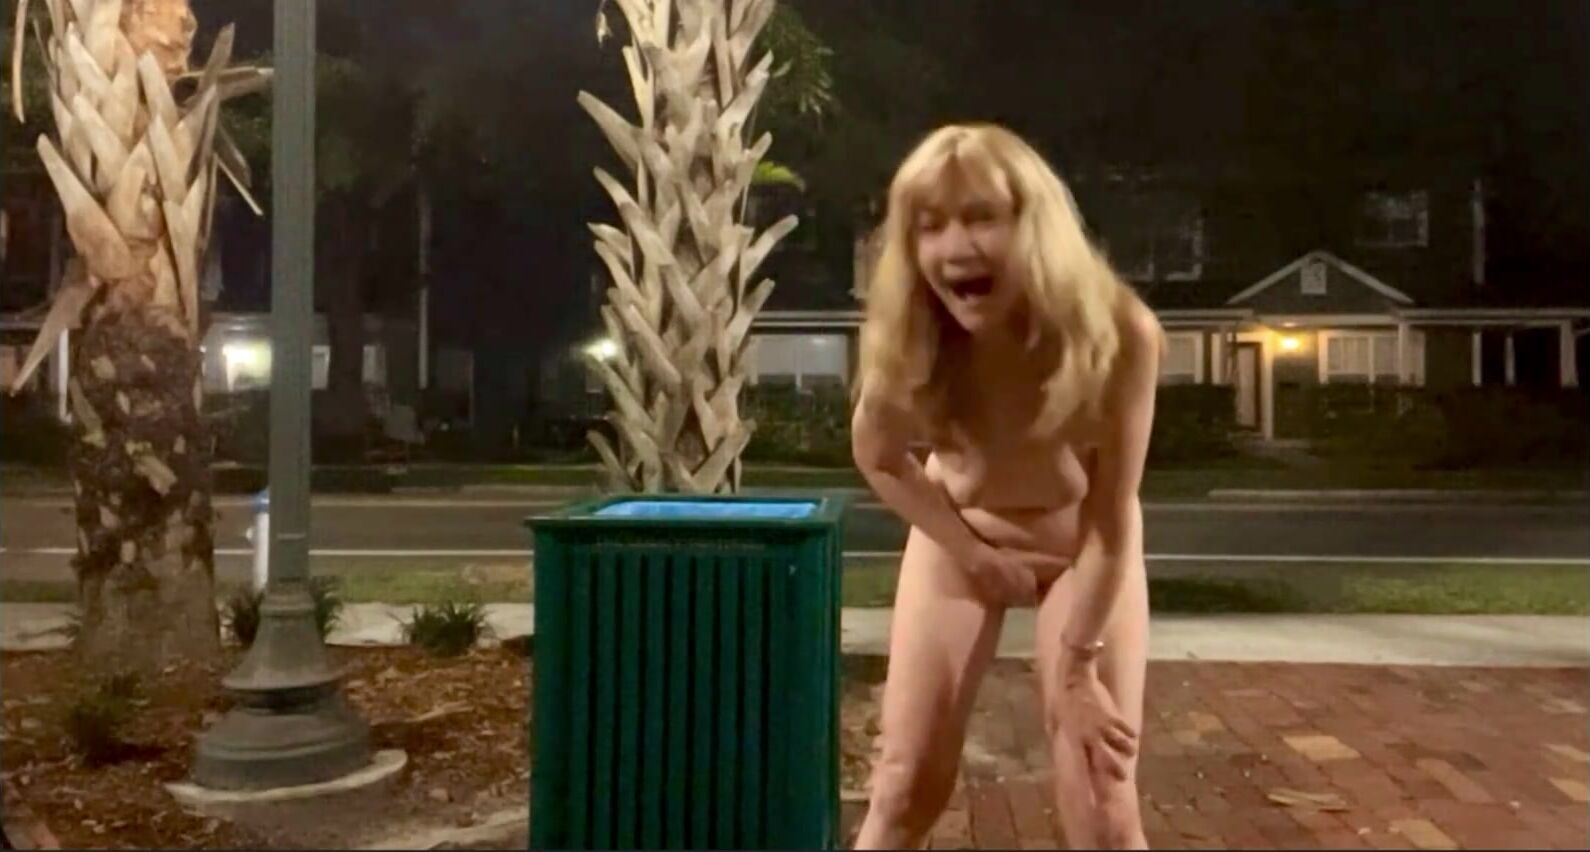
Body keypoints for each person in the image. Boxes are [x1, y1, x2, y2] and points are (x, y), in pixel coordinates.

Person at [850, 123, 1161, 850]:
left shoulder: (1121, 331)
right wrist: (971, 552)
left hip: (1082, 547)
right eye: (930, 225)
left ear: (1035, 225)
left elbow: (1111, 517)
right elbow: (880, 457)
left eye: (981, 217)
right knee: (903, 784)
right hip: (961, 539)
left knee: (1103, 797)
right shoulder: (913, 335)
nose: (955, 247)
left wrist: (1077, 668)